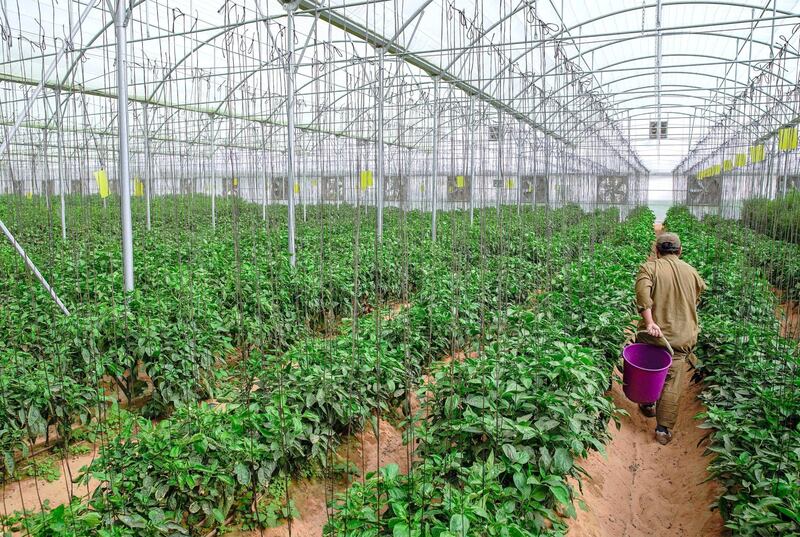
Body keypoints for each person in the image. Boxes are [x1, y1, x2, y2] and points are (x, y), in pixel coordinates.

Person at [634, 232, 706, 445]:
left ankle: (647, 404)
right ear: (680, 251)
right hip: (681, 338)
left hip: (654, 336)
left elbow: (642, 296)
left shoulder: (650, 268)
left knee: (650, 369)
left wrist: (649, 323)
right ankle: (663, 430)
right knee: (671, 383)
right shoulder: (692, 272)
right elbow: (698, 294)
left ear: (656, 251)